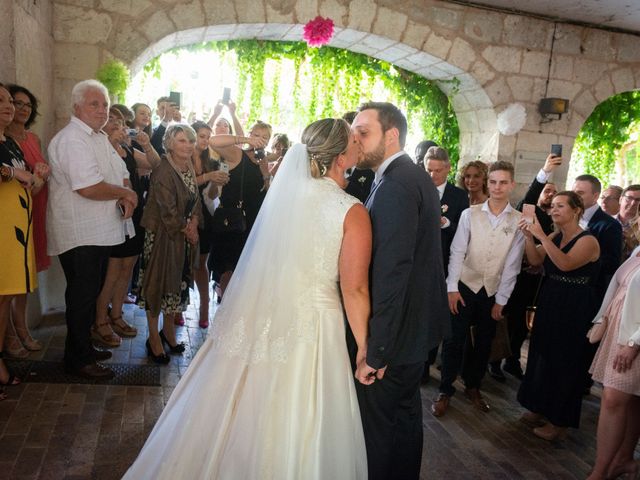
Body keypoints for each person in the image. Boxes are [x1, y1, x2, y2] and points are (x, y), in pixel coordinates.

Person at [123, 118, 371, 479]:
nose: (359, 145)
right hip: (316, 325)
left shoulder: (285, 199)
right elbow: (354, 288)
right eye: (353, 140)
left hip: (272, 313)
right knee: (303, 415)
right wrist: (365, 346)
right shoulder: (351, 210)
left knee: (252, 405)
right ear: (340, 156)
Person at [351, 102, 449, 480]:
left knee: (379, 432)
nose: (356, 140)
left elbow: (393, 271)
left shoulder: (396, 184)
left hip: (397, 335)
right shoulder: (405, 176)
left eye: (364, 132)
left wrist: (377, 350)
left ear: (391, 135)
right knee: (405, 423)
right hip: (414, 330)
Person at [47, 79, 138, 380]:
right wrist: (125, 194)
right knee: (82, 296)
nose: (101, 111)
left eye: (105, 105)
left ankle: (83, 348)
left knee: (88, 293)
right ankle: (78, 360)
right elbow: (87, 187)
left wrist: (126, 190)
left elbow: (120, 172)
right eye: (94, 104)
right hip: (80, 232)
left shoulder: (96, 137)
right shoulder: (74, 139)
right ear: (76, 107)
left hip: (97, 231)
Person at [432, 161, 524, 417]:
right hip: (464, 285)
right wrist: (451, 288)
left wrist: (501, 299)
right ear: (488, 183)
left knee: (484, 343)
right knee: (454, 341)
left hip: (492, 290)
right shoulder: (469, 214)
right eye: (493, 182)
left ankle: (474, 386)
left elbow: (513, 263)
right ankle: (445, 389)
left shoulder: (518, 221)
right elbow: (457, 251)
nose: (497, 187)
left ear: (511, 185)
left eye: (503, 182)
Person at [517, 191, 601, 441]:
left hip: (574, 304)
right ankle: (538, 406)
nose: (554, 210)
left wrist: (541, 234)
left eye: (560, 206)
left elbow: (564, 264)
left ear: (576, 210)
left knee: (565, 361)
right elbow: (535, 261)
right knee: (543, 353)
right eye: (552, 206)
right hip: (551, 297)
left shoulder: (588, 240)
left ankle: (558, 422)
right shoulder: (555, 235)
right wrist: (529, 238)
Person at [90, 106, 161, 349]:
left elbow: (156, 164)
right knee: (111, 270)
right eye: (111, 119)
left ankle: (116, 315)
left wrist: (146, 144)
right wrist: (110, 141)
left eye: (120, 121)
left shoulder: (128, 149)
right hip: (109, 215)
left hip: (133, 214)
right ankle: (100, 321)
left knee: (127, 266)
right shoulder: (98, 146)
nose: (116, 124)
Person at [488, 154, 558, 381]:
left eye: (554, 193)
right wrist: (544, 172)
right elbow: (531, 194)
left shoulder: (556, 218)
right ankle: (496, 361)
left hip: (538, 281)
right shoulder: (529, 211)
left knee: (522, 323)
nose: (551, 195)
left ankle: (513, 359)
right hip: (518, 276)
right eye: (547, 191)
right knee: (507, 319)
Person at [0, 82, 43, 398]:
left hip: (19, 226)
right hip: (3, 227)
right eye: (2, 101)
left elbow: (29, 182)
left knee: (6, 296)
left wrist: (36, 177)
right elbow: (14, 175)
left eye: (8, 101)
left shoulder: (12, 143)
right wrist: (16, 175)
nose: (9, 106)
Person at [586, 246, 640, 480]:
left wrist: (633, 344)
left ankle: (599, 473)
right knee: (631, 401)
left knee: (613, 399)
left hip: (633, 338)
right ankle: (623, 461)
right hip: (621, 329)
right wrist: (603, 318)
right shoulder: (637, 249)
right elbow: (618, 287)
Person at [208, 120, 272, 297]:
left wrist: (266, 174)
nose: (260, 140)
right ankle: (224, 309)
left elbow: (266, 194)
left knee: (246, 273)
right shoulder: (237, 154)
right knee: (228, 270)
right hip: (233, 221)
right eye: (256, 135)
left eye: (265, 137)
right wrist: (244, 140)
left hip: (253, 222)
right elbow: (213, 141)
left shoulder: (263, 160)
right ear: (250, 135)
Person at [422, 145, 468, 382]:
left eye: (438, 171)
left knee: (437, 314)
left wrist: (445, 223)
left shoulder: (459, 197)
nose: (433, 176)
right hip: (419, 262)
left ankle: (435, 362)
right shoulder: (417, 189)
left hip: (445, 261)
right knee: (421, 313)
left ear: (448, 169)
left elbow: (464, 231)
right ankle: (422, 366)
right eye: (429, 170)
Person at [190, 120, 229, 328]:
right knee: (182, 263)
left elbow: (212, 195)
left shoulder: (211, 161)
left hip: (205, 215)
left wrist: (216, 181)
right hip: (183, 212)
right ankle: (177, 308)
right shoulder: (183, 156)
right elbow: (184, 182)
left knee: (201, 264)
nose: (205, 140)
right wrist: (207, 176)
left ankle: (204, 309)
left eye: (207, 136)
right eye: (201, 136)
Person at [615, 185, 640, 261]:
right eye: (629, 198)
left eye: (638, 200)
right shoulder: (606, 223)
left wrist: (633, 246)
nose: (633, 203)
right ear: (620, 199)